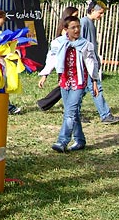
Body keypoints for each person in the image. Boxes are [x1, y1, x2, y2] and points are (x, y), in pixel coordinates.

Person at [38, 16, 100, 152]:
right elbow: (52, 58)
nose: (77, 30)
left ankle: (62, 141)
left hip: (79, 83)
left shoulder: (85, 45)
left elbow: (92, 63)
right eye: (73, 27)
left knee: (70, 113)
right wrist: (45, 74)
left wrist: (94, 81)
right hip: (64, 82)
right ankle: (80, 140)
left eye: (78, 27)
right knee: (72, 112)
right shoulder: (58, 43)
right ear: (66, 29)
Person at [80, 0, 119, 124]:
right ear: (92, 10)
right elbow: (80, 43)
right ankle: (105, 115)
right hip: (87, 62)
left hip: (91, 61)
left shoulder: (90, 23)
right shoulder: (84, 22)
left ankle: (74, 112)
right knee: (95, 87)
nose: (102, 16)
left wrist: (96, 58)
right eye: (100, 13)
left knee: (83, 90)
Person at [37, 6, 79, 112]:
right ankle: (73, 113)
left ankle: (45, 103)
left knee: (70, 90)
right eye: (74, 16)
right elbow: (52, 57)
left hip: (75, 69)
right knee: (69, 91)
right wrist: (45, 74)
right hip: (65, 69)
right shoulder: (60, 40)